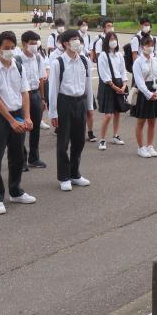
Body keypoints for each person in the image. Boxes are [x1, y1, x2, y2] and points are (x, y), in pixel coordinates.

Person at [0, 31, 36, 215]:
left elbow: (25, 92)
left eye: (12, 48)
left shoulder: (18, 66)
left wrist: (27, 117)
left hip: (17, 114)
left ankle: (15, 191)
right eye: (6, 48)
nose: (10, 51)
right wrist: (11, 121)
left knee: (17, 156)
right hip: (0, 118)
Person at [49, 30, 94, 191]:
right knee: (63, 142)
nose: (77, 42)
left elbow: (88, 84)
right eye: (73, 40)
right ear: (65, 44)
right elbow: (53, 89)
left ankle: (75, 174)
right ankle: (64, 177)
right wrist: (53, 113)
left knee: (79, 141)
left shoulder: (84, 60)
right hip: (64, 103)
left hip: (80, 102)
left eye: (78, 39)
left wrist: (90, 106)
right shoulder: (58, 63)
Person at [18, 31, 47, 168]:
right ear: (24, 44)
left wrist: (42, 98)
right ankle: (21, 160)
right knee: (22, 128)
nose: (35, 46)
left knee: (35, 128)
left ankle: (34, 158)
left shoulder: (38, 58)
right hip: (22, 95)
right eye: (32, 43)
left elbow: (41, 79)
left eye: (36, 43)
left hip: (35, 94)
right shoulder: (17, 59)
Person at [131, 36, 157, 158]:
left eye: (151, 45)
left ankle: (150, 146)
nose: (150, 47)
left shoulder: (156, 61)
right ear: (142, 46)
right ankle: (141, 147)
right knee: (141, 121)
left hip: (155, 91)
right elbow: (139, 82)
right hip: (143, 92)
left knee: (152, 121)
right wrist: (149, 94)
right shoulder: (138, 62)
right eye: (147, 45)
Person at [96, 31, 127, 151]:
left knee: (117, 112)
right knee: (108, 115)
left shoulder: (119, 55)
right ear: (106, 41)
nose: (113, 41)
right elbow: (104, 74)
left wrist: (124, 85)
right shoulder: (103, 55)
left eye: (115, 38)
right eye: (111, 39)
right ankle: (102, 139)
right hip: (108, 86)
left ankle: (115, 135)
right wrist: (114, 86)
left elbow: (123, 71)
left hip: (119, 84)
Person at [76, 19, 96, 142]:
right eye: (82, 25)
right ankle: (77, 133)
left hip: (86, 88)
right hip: (76, 91)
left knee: (90, 110)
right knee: (78, 115)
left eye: (86, 25)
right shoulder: (65, 60)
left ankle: (90, 132)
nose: (85, 27)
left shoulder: (85, 60)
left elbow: (89, 79)